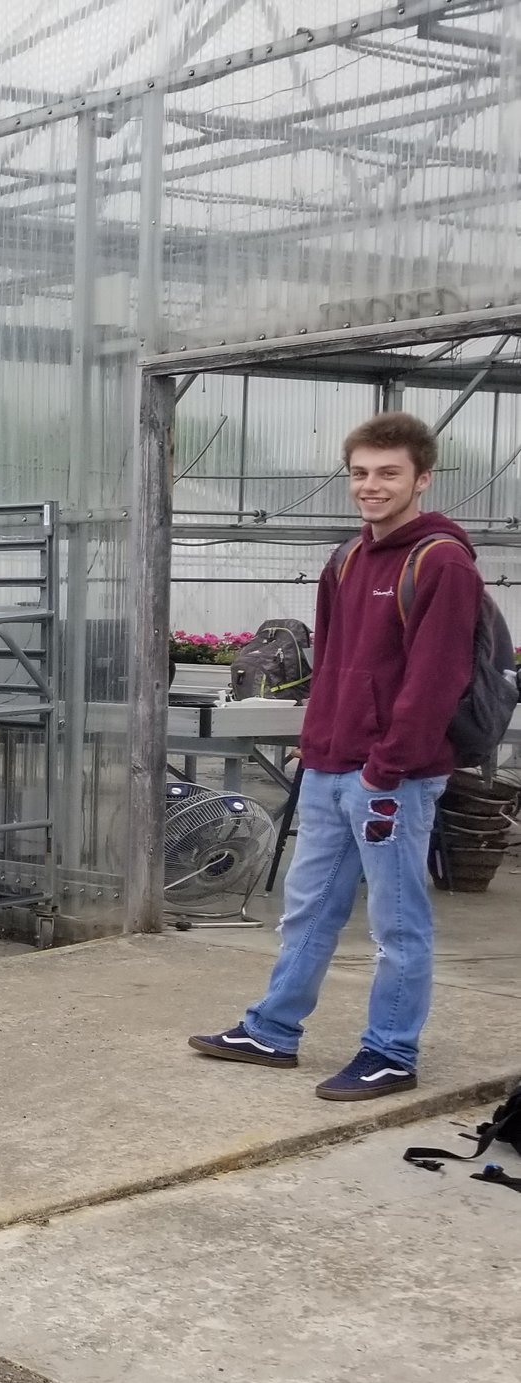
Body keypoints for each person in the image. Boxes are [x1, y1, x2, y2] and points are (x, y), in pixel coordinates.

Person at [191, 412, 483, 1101]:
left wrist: (386, 767)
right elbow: (333, 666)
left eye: (388, 473)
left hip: (395, 779)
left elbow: (436, 679)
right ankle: (272, 1029)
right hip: (328, 769)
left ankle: (390, 1052)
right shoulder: (346, 559)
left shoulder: (441, 562)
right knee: (308, 909)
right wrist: (314, 747)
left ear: (422, 478)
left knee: (398, 922)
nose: (371, 486)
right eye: (360, 473)